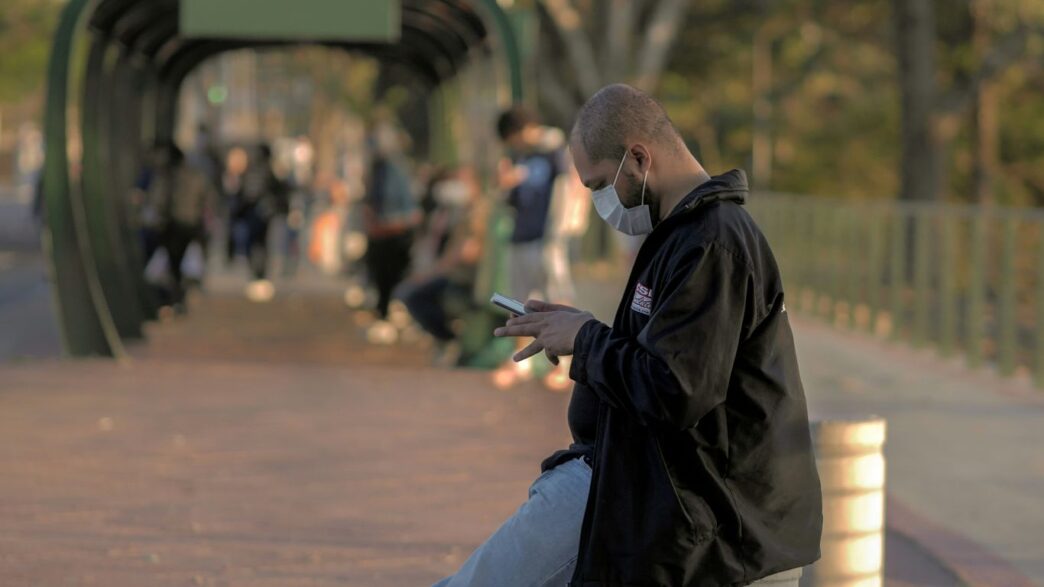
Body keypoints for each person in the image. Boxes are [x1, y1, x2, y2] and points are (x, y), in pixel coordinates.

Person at [434, 84, 822, 586]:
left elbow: (676, 389)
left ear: (638, 157)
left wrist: (588, 338)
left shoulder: (711, 245)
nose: (600, 201)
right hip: (655, 497)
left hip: (704, 519)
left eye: (599, 184)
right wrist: (575, 331)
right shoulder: (681, 236)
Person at [493, 107, 568, 386]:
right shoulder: (520, 157)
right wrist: (504, 186)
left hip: (546, 239)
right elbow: (510, 199)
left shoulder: (554, 150)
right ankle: (520, 361)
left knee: (555, 300)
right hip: (520, 237)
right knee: (515, 300)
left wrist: (558, 234)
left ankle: (562, 364)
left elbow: (567, 192)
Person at [400, 167, 485, 365]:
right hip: (454, 275)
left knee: (412, 296)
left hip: (466, 279)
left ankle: (448, 339)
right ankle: (445, 339)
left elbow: (465, 253)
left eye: (463, 182)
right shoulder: (457, 212)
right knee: (409, 293)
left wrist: (431, 274)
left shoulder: (479, 212)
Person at [362, 122, 420, 344]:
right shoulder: (379, 168)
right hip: (381, 234)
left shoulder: (397, 169)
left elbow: (410, 211)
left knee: (392, 277)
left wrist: (386, 225)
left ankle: (392, 317)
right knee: (381, 277)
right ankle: (384, 315)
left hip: (393, 234)